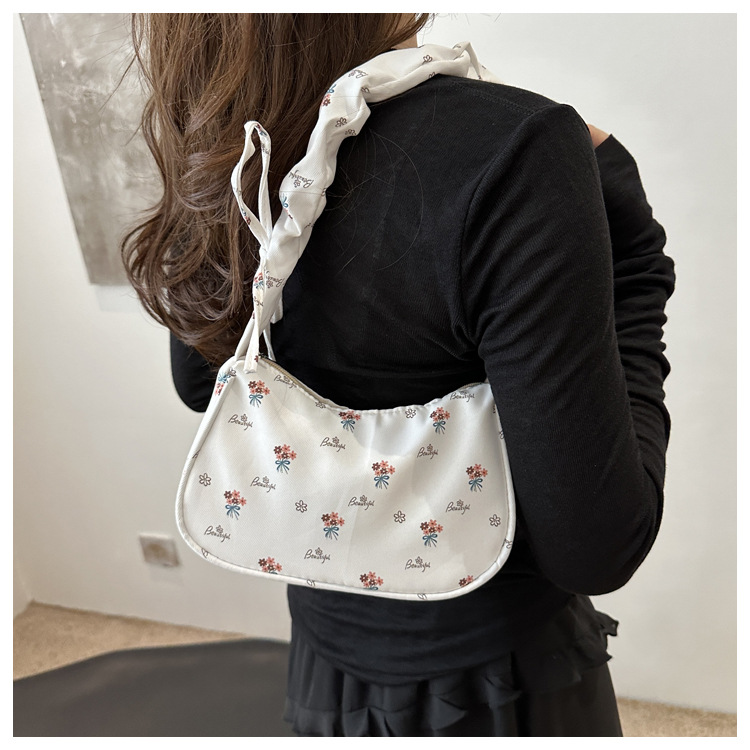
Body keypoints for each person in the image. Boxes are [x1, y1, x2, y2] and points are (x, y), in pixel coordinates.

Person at [122, 13, 676, 737]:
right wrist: (633, 258)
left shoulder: (231, 137)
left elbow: (205, 386)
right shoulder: (514, 144)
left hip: (325, 658)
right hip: (500, 682)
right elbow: (597, 548)